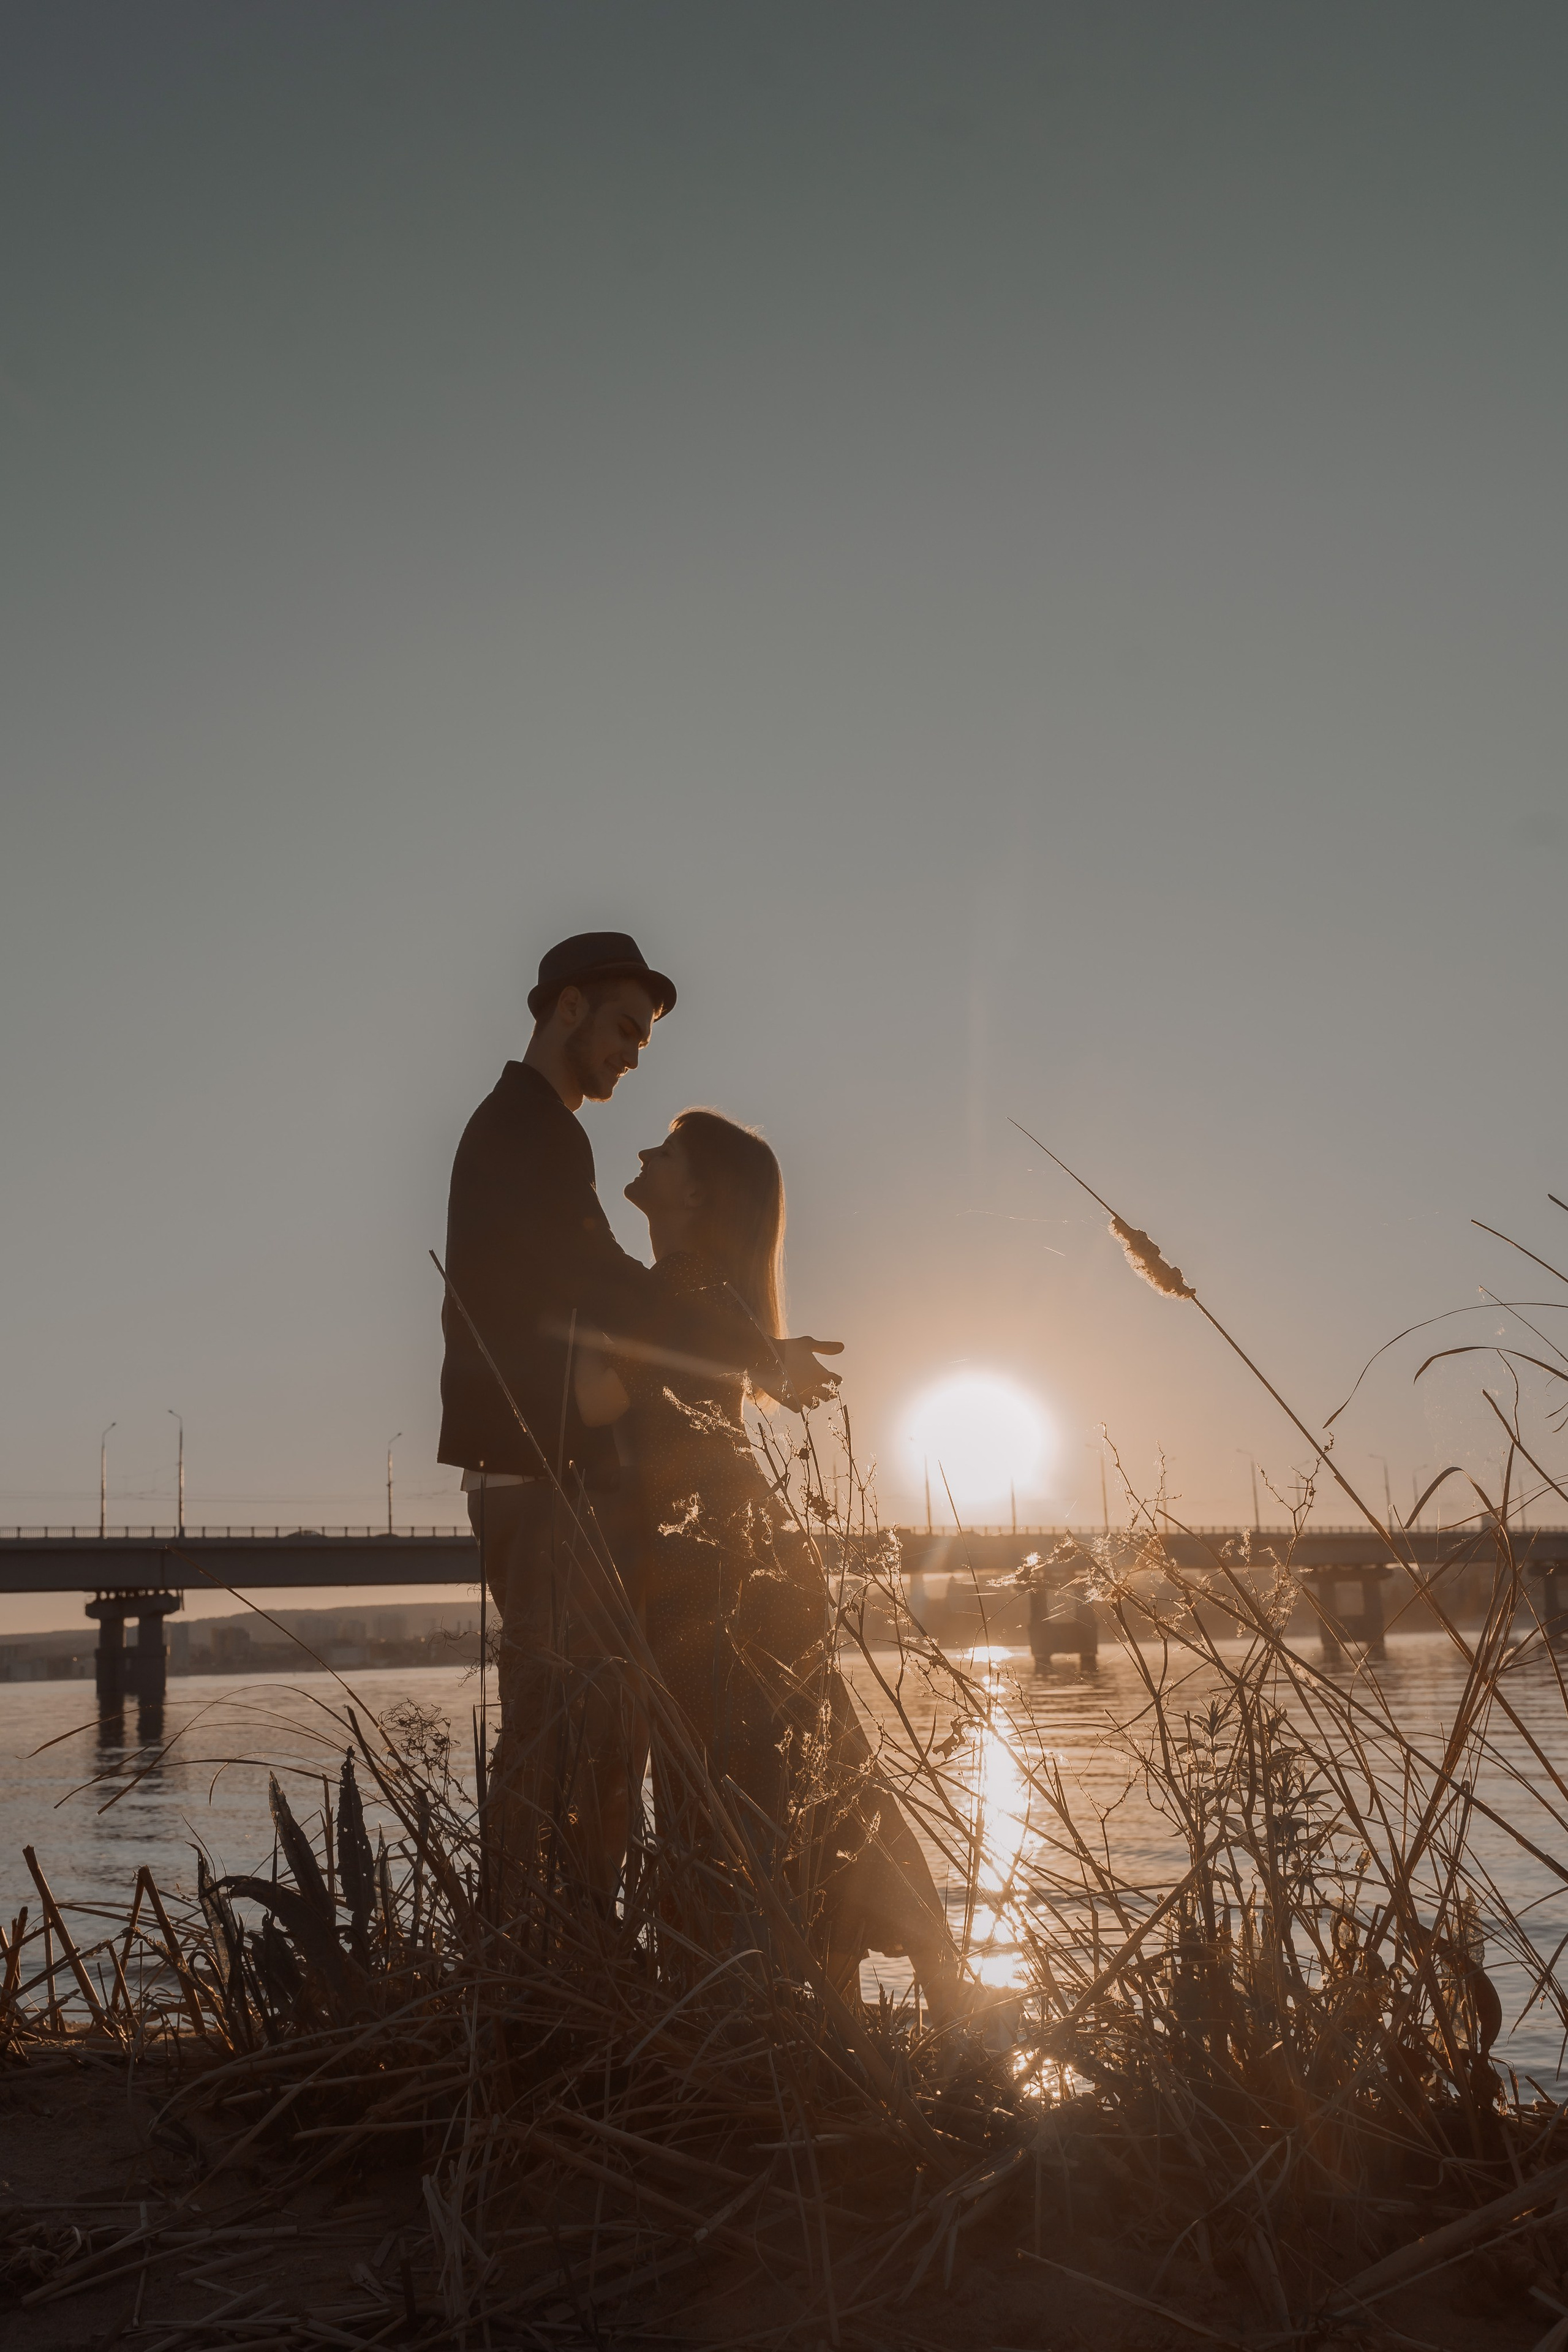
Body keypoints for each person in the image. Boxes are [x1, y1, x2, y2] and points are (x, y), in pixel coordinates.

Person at [437, 931, 842, 1901]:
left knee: (586, 1751)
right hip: (535, 1479)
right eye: (624, 1027)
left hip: (542, 1477)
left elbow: (602, 1299)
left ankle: (564, 1970)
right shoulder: (528, 1130)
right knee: (565, 1750)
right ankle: (545, 1973)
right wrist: (755, 1352)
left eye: (644, 1040)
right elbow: (611, 1291)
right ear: (564, 1007)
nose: (631, 1053)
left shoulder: (531, 1131)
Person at [573, 1108, 970, 2021]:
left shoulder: (677, 1290)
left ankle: (799, 2008)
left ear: (697, 1192)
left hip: (715, 1567)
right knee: (808, 1774)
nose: (642, 1154)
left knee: (742, 1781)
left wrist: (570, 1305)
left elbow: (593, 1406)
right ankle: (875, 2003)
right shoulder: (705, 1293)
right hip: (742, 1559)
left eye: (665, 1153)